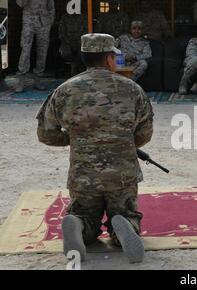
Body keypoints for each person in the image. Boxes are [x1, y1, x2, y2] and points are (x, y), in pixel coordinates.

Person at [36, 33, 154, 264]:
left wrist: (78, 140)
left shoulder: (64, 91)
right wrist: (120, 142)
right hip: (122, 174)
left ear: (84, 57)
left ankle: (78, 225)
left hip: (83, 174)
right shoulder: (132, 89)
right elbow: (144, 134)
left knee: (83, 214)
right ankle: (123, 225)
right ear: (110, 58)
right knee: (127, 213)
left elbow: (46, 135)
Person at [15, 0, 55, 93]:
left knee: (42, 51)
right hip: (29, 23)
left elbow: (51, 7)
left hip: (44, 24)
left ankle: (38, 79)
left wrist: (50, 22)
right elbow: (20, 4)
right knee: (25, 50)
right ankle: (21, 80)